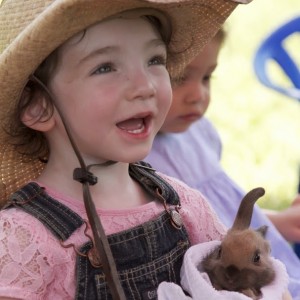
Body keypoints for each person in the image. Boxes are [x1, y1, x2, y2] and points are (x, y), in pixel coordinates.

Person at [0, 0, 263, 299]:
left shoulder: (183, 206)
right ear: (38, 106)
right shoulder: (23, 241)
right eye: (105, 67)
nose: (145, 85)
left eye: (154, 60)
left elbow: (238, 285)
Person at [145, 26, 300, 299]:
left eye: (207, 77)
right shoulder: (141, 162)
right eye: (179, 78)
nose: (198, 95)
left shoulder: (199, 133)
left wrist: (274, 222)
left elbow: (217, 210)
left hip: (265, 268)